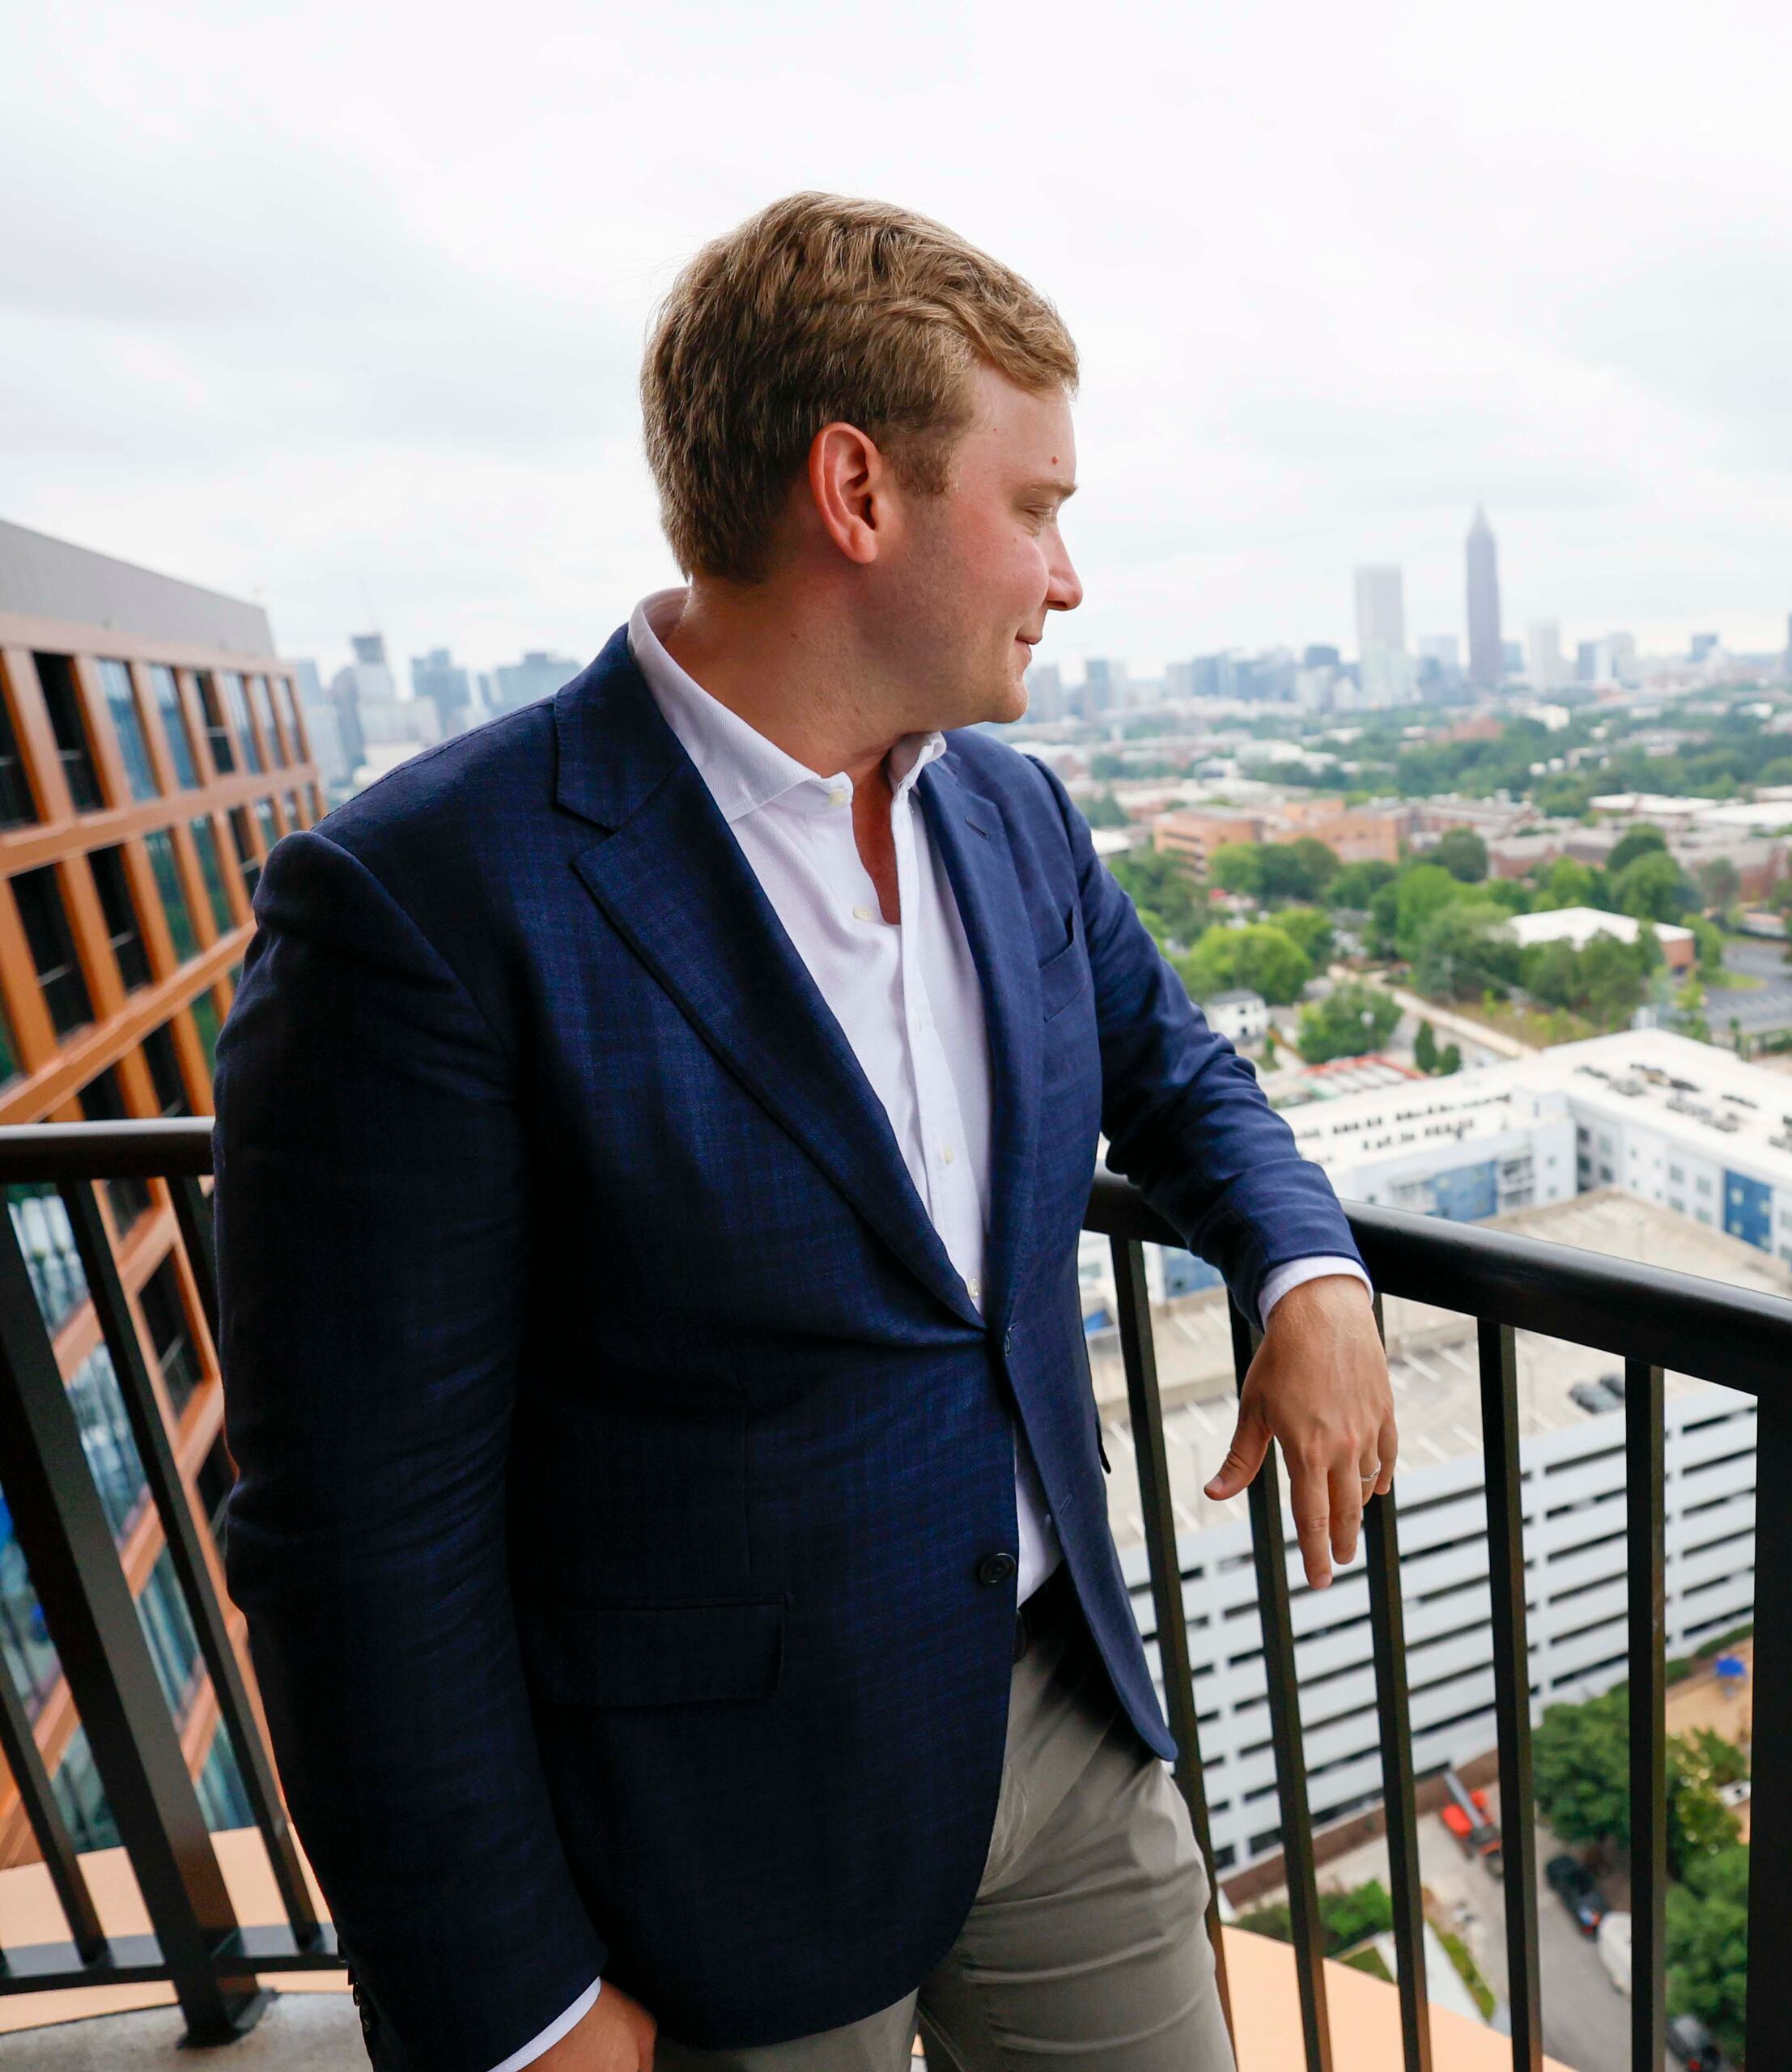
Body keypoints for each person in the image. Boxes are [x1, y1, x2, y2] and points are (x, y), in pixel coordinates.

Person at [213, 193, 1395, 2072]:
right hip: (714, 1842)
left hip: (1059, 1728)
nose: (1069, 576)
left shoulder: (1007, 820)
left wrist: (1307, 1265)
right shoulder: (427, 901)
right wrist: (512, 2005)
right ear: (858, 492)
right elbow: (359, 1532)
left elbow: (1179, 1071)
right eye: (1037, 506)